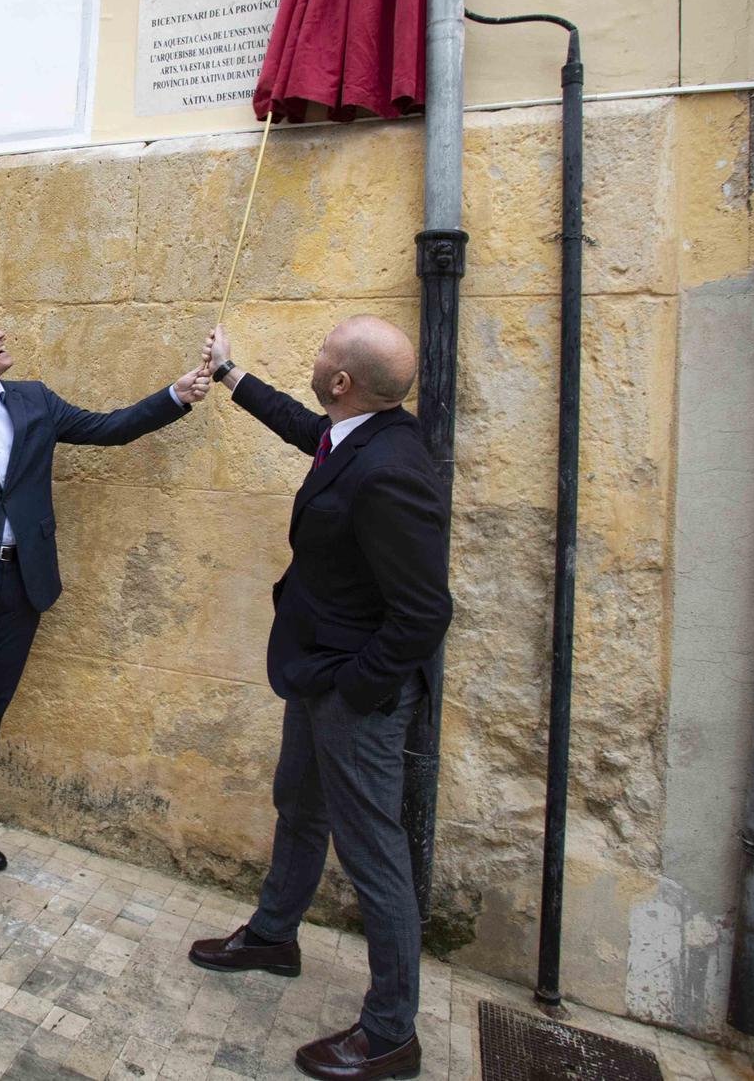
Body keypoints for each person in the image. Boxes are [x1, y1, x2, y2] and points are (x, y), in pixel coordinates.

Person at [186, 317, 451, 1081]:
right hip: (315, 670)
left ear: (343, 382)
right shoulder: (357, 432)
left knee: (375, 857)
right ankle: (274, 934)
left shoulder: (392, 466)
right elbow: (310, 431)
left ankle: (391, 1033)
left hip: (353, 690)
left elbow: (424, 612)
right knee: (297, 805)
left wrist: (355, 689)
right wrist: (233, 376)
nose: (317, 358)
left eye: (325, 355)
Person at [0, 302, 210, 912]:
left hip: (24, 586)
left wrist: (175, 394)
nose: (1, 332)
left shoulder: (35, 400)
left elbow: (109, 427)